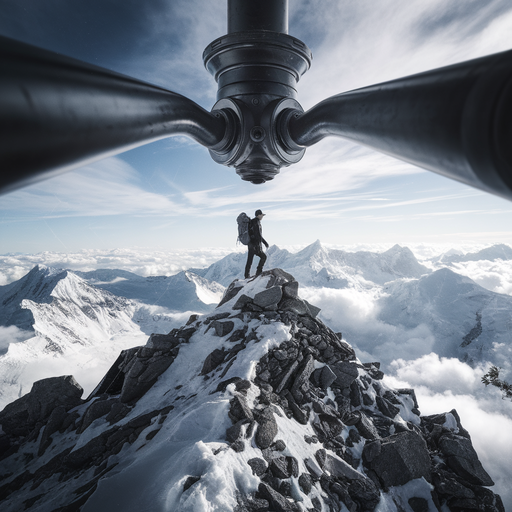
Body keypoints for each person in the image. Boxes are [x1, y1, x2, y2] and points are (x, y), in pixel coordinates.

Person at [245, 209, 269, 278]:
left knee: (249, 260)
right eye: (261, 215)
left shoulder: (252, 222)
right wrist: (265, 243)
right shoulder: (256, 222)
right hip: (255, 245)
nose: (262, 217)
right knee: (263, 257)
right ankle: (258, 272)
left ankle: (246, 275)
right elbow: (258, 235)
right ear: (258, 215)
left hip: (251, 244)